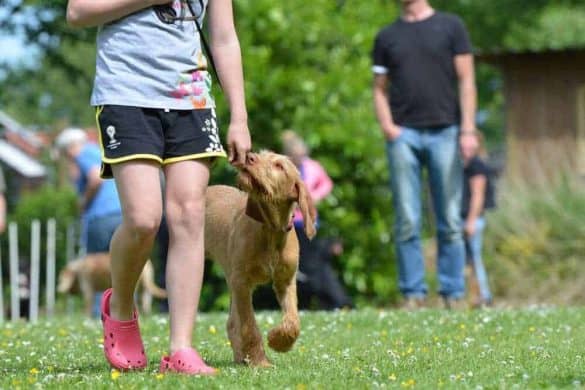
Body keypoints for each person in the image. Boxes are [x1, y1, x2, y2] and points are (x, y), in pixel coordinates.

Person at [66, 0, 251, 375]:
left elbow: (224, 37)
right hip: (125, 94)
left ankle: (181, 347)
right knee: (144, 218)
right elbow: (78, 12)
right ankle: (119, 306)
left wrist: (240, 117)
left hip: (191, 98)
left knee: (188, 213)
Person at [372, 0, 477, 309]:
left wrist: (468, 129)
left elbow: (467, 79)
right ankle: (413, 294)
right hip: (404, 135)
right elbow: (379, 88)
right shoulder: (387, 36)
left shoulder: (452, 26)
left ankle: (453, 293)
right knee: (407, 218)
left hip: (445, 130)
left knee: (449, 219)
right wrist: (388, 127)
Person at [281, 130, 353, 310]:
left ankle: (331, 302)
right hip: (290, 224)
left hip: (309, 222)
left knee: (312, 266)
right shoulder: (283, 169)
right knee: (302, 267)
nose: (300, 158)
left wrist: (314, 196)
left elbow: (326, 184)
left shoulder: (312, 167)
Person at [55, 127, 124, 316]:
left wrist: (84, 202)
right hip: (119, 213)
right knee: (123, 263)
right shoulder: (98, 151)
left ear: (69, 148)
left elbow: (95, 178)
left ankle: (98, 313)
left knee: (94, 270)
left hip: (99, 218)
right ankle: (126, 310)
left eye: (64, 153)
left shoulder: (83, 154)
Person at [460, 129, 494, 308]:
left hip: (471, 220)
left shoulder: (477, 166)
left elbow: (478, 195)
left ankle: (484, 296)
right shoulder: (464, 165)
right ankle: (471, 296)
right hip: (463, 218)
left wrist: (471, 221)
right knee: (467, 261)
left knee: (474, 259)